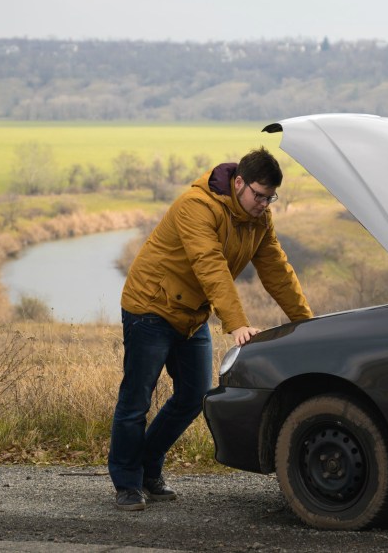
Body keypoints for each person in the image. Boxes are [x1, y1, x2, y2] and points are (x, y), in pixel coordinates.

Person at [108, 146, 313, 511]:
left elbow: (277, 271)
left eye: (271, 198)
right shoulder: (196, 206)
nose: (264, 204)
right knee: (136, 399)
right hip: (151, 307)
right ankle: (126, 481)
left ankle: (147, 467)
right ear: (238, 183)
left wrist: (305, 322)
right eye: (259, 195)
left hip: (192, 312)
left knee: (193, 396)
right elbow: (210, 265)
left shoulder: (259, 221)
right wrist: (236, 323)